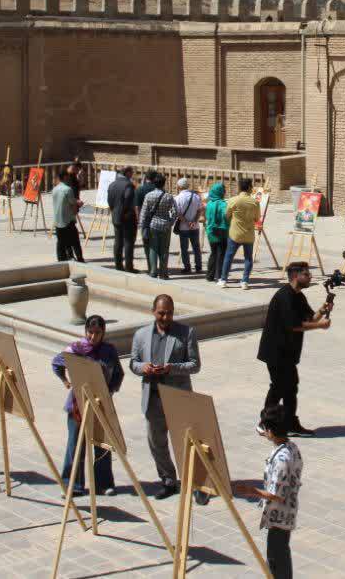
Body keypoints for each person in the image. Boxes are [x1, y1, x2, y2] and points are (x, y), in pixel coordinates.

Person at [128, 295, 202, 501]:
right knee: (156, 442)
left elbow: (195, 365)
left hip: (178, 397)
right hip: (153, 397)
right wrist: (144, 368)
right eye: (161, 312)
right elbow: (133, 363)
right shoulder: (141, 335)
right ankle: (168, 480)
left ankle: (196, 483)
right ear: (153, 311)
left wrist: (172, 368)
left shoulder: (186, 333)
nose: (165, 317)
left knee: (186, 442)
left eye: (169, 312)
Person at [257, 262, 330, 437]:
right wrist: (320, 326)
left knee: (290, 388)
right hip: (275, 352)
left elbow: (310, 317)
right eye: (306, 274)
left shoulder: (298, 296)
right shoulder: (285, 297)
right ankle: (265, 423)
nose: (310, 277)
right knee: (279, 387)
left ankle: (290, 423)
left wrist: (322, 310)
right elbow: (294, 325)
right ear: (296, 276)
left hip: (287, 353)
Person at [51, 315, 122, 496]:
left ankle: (103, 484)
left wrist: (110, 391)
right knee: (75, 444)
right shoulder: (76, 349)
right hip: (77, 404)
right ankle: (72, 484)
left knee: (102, 445)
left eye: (97, 333)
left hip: (101, 403)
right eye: (90, 332)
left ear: (103, 332)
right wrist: (66, 382)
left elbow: (118, 373)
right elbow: (57, 363)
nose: (93, 337)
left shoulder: (109, 351)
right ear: (86, 332)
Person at [232, 404, 303, 579]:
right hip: (288, 512)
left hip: (280, 515)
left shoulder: (281, 460)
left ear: (271, 431)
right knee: (280, 554)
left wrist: (250, 490)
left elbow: (276, 494)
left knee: (276, 558)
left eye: (266, 429)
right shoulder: (291, 447)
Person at [220, 178, 261, 290]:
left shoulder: (233, 200)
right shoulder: (255, 202)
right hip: (249, 234)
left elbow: (226, 215)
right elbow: (257, 218)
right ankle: (245, 281)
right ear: (249, 188)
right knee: (248, 258)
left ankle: (223, 280)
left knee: (229, 256)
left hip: (235, 233)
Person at [139, 174, 177, 279]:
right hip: (165, 226)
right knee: (164, 249)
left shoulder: (149, 195)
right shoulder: (168, 196)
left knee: (153, 248)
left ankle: (153, 271)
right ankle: (163, 273)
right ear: (164, 183)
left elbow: (143, 213)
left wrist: (142, 226)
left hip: (153, 225)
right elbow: (175, 211)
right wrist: (170, 222)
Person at [107, 165, 138, 272]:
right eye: (132, 172)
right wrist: (125, 212)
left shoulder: (112, 184)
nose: (132, 174)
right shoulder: (128, 185)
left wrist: (115, 211)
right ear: (128, 173)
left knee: (118, 242)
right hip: (127, 218)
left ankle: (118, 265)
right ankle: (129, 267)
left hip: (115, 216)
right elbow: (128, 198)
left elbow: (110, 202)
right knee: (128, 242)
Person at [51, 167, 85, 262]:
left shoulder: (55, 189)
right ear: (65, 177)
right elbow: (73, 205)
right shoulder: (68, 189)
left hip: (58, 220)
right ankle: (80, 259)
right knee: (75, 241)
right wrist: (77, 206)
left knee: (61, 242)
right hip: (68, 220)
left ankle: (61, 260)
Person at [172, 178, 203, 276]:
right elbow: (200, 210)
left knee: (184, 248)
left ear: (179, 187)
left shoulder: (178, 198)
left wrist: (187, 222)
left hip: (183, 227)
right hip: (195, 226)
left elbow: (178, 213)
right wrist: (194, 221)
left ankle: (187, 267)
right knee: (196, 248)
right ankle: (198, 266)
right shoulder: (196, 196)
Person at [203, 182, 229, 282]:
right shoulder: (223, 204)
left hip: (211, 232)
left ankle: (209, 275)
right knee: (221, 254)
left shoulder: (209, 203)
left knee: (213, 253)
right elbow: (226, 216)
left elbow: (207, 217)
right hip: (222, 231)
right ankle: (219, 276)